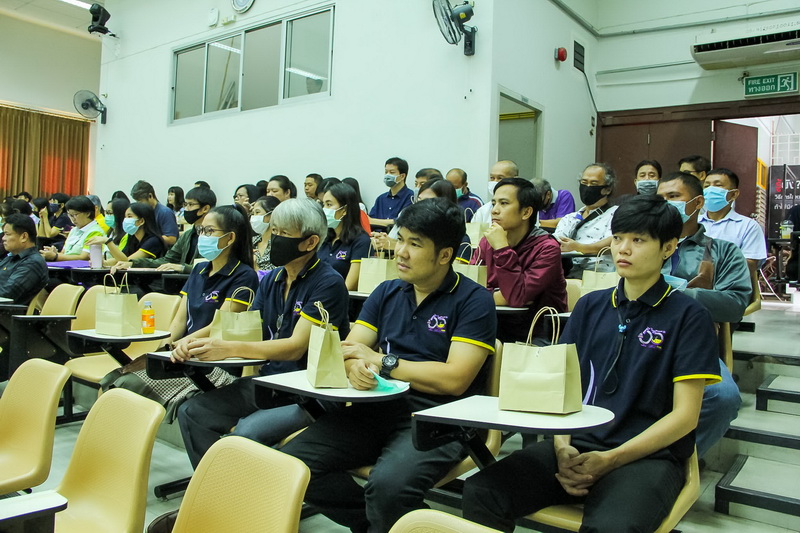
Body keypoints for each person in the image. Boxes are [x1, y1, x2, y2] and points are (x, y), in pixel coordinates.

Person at [463, 194, 721, 533]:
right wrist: (562, 447)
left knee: (612, 528)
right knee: (483, 491)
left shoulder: (690, 317)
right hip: (576, 445)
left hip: (646, 456)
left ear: (669, 248)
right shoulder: (590, 306)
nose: (623, 249)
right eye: (618, 238)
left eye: (638, 240)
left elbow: (685, 416)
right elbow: (562, 387)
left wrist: (611, 459)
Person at [280, 198, 497, 533]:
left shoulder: (474, 300)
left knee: (388, 490)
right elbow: (349, 350)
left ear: (445, 255)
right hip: (376, 407)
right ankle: (380, 525)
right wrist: (356, 368)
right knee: (293, 465)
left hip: (438, 420)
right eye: (401, 239)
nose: (401, 252)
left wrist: (381, 361)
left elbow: (454, 379)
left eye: (415, 244)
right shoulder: (386, 292)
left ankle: (392, 522)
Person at [176, 198, 350, 468]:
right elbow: (248, 330)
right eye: (274, 230)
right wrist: (195, 343)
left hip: (308, 393)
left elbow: (295, 347)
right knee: (192, 411)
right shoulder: (272, 279)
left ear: (310, 242)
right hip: (269, 383)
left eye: (283, 233)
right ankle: (215, 485)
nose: (274, 238)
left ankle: (238, 488)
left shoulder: (328, 283)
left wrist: (228, 348)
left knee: (245, 433)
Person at [657, 171, 750, 458]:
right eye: (660, 198)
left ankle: (675, 462)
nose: (665, 204)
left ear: (697, 203)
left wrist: (680, 294)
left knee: (723, 398)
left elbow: (735, 304)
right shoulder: (640, 243)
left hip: (691, 342)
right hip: (636, 334)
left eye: (673, 197)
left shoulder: (722, 251)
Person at [475, 178, 567, 342]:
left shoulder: (547, 248)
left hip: (536, 333)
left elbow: (517, 297)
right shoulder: (487, 242)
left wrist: (502, 249)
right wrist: (498, 296)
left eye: (504, 203)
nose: (494, 210)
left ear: (526, 212)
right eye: (494, 203)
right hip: (491, 325)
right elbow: (470, 291)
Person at [119, 187, 217, 273]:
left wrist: (182, 268)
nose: (186, 209)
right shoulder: (187, 235)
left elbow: (211, 267)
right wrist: (133, 263)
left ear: (205, 208)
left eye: (190, 205)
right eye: (185, 204)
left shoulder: (214, 237)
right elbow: (168, 260)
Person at [701, 168, 767, 277]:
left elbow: (751, 264)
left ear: (734, 194)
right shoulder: (693, 223)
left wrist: (710, 268)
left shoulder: (748, 226)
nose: (711, 190)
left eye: (718, 185)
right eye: (707, 186)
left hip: (729, 284)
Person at [555, 163, 618, 276]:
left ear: (607, 189)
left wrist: (580, 248)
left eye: (594, 184)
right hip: (565, 275)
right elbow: (556, 241)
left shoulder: (616, 214)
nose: (587, 187)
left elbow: (615, 240)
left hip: (597, 275)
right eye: (584, 183)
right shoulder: (569, 218)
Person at [318, 182, 371, 290]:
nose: (324, 209)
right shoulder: (323, 238)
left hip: (340, 297)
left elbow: (350, 286)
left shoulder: (361, 241)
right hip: (316, 295)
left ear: (344, 210)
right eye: (323, 204)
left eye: (329, 204)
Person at [86, 202, 165, 265]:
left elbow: (127, 262)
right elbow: (120, 258)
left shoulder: (154, 241)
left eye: (129, 216)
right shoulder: (132, 237)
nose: (125, 220)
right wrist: (104, 263)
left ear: (141, 221)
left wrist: (108, 242)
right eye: (125, 217)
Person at [0, 214, 48, 305]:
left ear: (24, 237)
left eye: (7, 234)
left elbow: (6, 295)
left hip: (9, 312)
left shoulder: (33, 263)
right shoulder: (11, 257)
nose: (3, 238)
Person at [40, 196, 106, 262]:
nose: (72, 219)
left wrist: (56, 257)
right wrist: (54, 253)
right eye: (70, 215)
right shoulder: (74, 230)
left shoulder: (95, 231)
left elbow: (84, 257)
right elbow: (64, 253)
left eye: (75, 215)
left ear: (88, 213)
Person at [369, 156, 414, 229]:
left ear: (402, 176)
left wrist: (374, 221)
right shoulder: (381, 198)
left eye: (392, 172)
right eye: (386, 172)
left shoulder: (411, 197)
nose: (387, 175)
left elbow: (402, 222)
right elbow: (369, 221)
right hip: (376, 234)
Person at [130, 180, 179, 247]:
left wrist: (150, 238)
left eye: (141, 201)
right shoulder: (144, 213)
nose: (139, 205)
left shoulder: (165, 212)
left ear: (150, 196)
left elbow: (171, 239)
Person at [473, 160, 520, 224]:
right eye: (492, 178)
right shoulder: (483, 211)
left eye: (500, 178)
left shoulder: (521, 207)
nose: (494, 182)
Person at [251, 195, 280, 271]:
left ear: (271, 215)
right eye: (253, 213)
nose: (253, 217)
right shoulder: (251, 242)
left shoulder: (280, 244)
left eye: (257, 212)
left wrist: (256, 269)